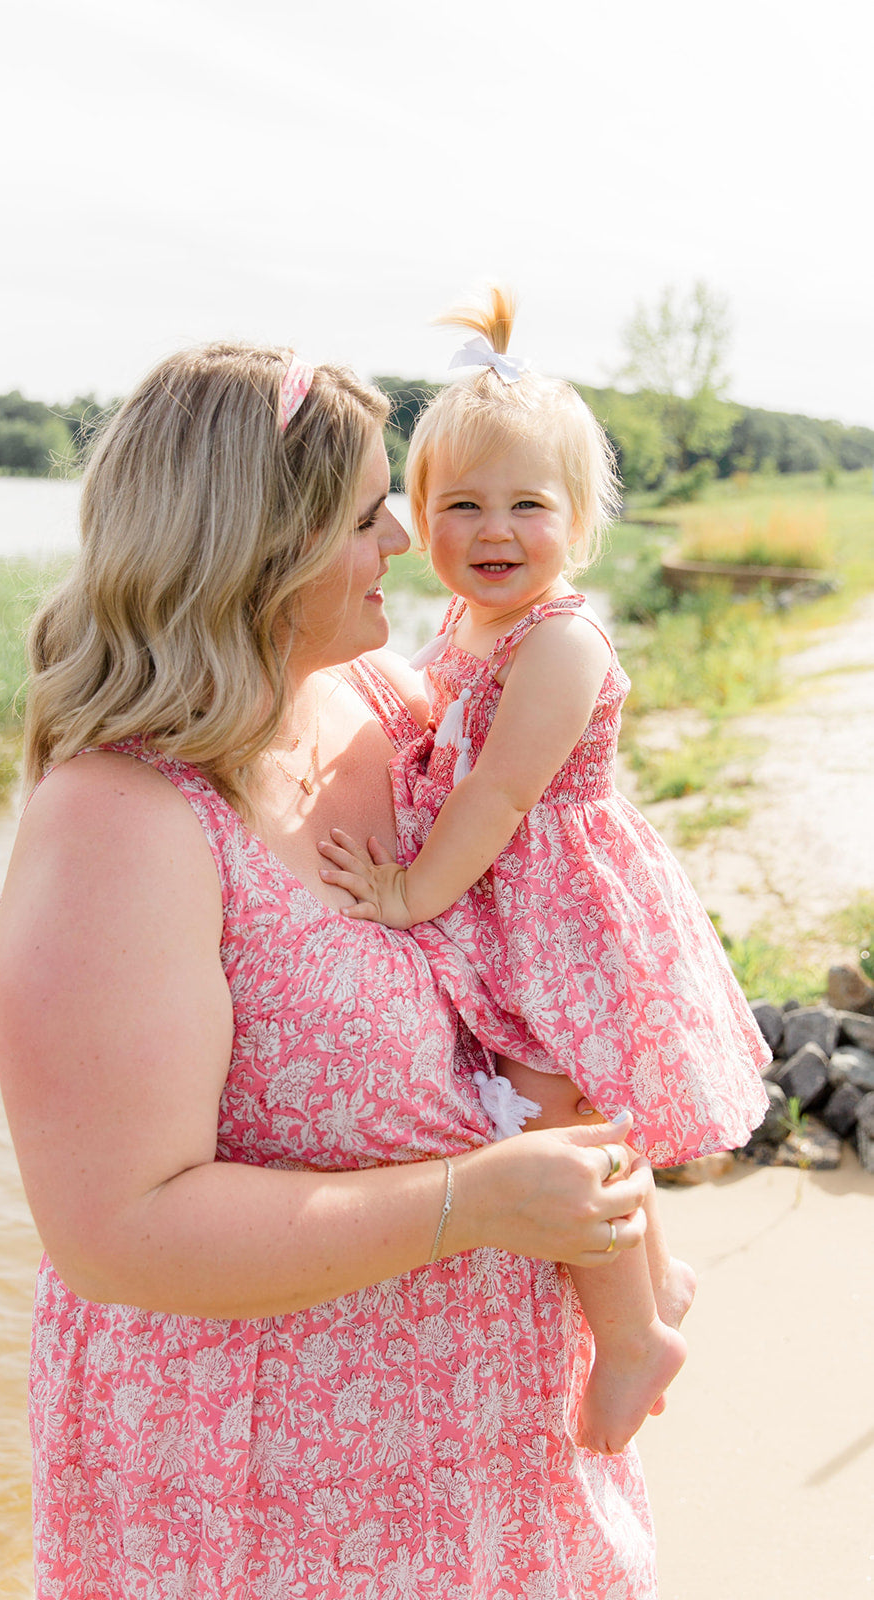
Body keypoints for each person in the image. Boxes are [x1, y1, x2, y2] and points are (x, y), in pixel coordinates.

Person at [0, 339, 661, 1599]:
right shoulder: (120, 821)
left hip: (494, 1472)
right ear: (260, 545)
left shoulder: (374, 692)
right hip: (269, 1504)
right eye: (364, 516)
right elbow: (117, 1231)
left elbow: (530, 943)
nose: (405, 542)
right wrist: (474, 1200)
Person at [319, 288, 771, 1457]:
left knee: (547, 1106)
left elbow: (499, 794)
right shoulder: (462, 622)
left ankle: (629, 1333)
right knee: (571, 1101)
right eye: (460, 504)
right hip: (506, 903)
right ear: (417, 516)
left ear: (578, 520)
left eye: (528, 504)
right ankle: (656, 1282)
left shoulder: (559, 639)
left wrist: (413, 894)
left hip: (555, 905)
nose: (493, 528)